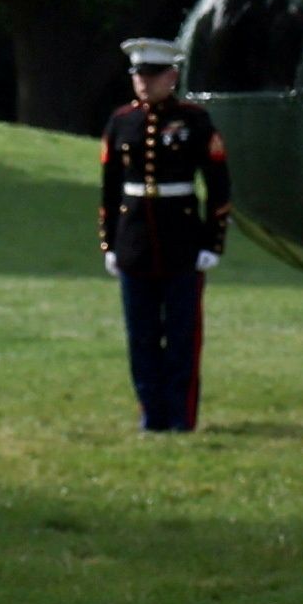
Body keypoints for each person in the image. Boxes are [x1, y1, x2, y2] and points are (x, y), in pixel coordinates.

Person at [96, 36, 231, 433]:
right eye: (138, 75)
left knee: (181, 336)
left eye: (152, 75)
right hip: (135, 242)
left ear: (171, 76)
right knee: (141, 337)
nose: (144, 83)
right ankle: (150, 415)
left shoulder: (194, 121)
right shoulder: (121, 122)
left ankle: (181, 416)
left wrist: (212, 242)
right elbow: (109, 188)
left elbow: (218, 187)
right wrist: (109, 242)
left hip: (182, 241)